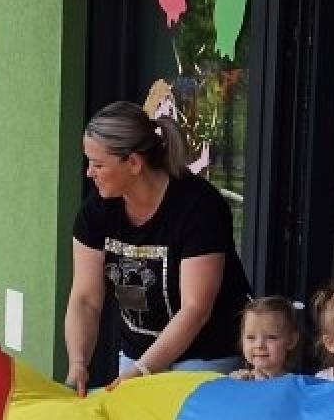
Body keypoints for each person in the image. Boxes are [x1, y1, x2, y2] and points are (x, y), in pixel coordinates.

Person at [65, 102, 251, 391]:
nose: (89, 172)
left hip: (206, 354)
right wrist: (78, 363)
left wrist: (142, 371)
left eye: (98, 164)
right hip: (137, 352)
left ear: (134, 163)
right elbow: (85, 298)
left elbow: (195, 308)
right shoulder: (96, 211)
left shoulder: (199, 207)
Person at [231, 296, 300, 380]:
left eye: (271, 337)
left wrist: (265, 385)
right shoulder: (242, 379)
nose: (259, 345)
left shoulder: (295, 384)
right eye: (251, 337)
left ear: (291, 341)